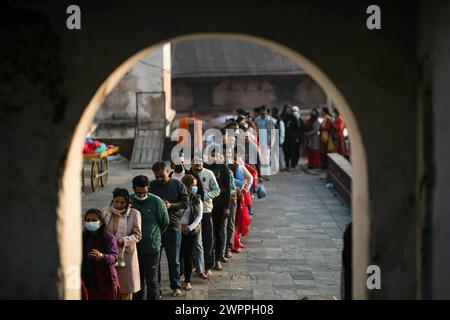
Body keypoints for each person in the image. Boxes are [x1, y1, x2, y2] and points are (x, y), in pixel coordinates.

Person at [150, 161, 189, 297]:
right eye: (157, 177)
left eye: (162, 176)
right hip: (156, 229)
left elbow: (185, 203)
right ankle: (157, 287)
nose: (159, 179)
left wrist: (171, 205)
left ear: (168, 172)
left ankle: (176, 285)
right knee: (156, 260)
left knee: (174, 259)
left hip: (173, 227)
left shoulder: (177, 184)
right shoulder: (151, 186)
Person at [131, 175, 169, 300]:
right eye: (138, 193)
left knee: (152, 280)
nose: (141, 195)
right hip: (133, 248)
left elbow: (165, 222)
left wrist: (153, 234)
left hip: (151, 247)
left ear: (149, 189)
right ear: (133, 189)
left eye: (144, 192)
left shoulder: (157, 202)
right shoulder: (129, 201)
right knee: (137, 280)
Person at [102, 188, 142, 300]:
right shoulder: (105, 212)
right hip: (109, 254)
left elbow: (138, 235)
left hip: (126, 256)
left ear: (127, 202)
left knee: (126, 291)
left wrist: (123, 240)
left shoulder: (134, 214)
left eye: (122, 202)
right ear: (113, 200)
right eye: (116, 201)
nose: (119, 205)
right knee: (110, 288)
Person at [189, 155, 220, 279]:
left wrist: (204, 197)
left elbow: (216, 190)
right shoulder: (188, 175)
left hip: (206, 210)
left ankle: (207, 266)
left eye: (200, 161)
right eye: (195, 161)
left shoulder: (209, 173)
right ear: (191, 163)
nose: (198, 164)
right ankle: (193, 265)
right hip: (191, 212)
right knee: (192, 241)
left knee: (207, 240)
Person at [81, 208, 120, 300]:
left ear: (101, 222)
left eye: (94, 220)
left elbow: (114, 257)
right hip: (88, 280)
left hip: (105, 281)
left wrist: (102, 256)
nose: (90, 222)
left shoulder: (109, 238)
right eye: (88, 220)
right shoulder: (82, 237)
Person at [204, 148, 232, 272]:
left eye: (217, 155)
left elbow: (227, 190)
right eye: (212, 155)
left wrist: (227, 207)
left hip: (220, 204)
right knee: (208, 235)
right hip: (207, 205)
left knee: (219, 232)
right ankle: (206, 261)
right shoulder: (205, 167)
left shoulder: (224, 169)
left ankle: (217, 260)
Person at [179, 174, 203, 291]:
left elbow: (199, 216)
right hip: (178, 231)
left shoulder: (197, 198)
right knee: (178, 256)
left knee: (188, 256)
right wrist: (179, 226)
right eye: (193, 185)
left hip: (191, 232)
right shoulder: (178, 198)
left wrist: (189, 227)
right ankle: (179, 276)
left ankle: (187, 280)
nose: (195, 187)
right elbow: (174, 213)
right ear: (187, 186)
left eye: (196, 185)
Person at [281, 105, 300, 171]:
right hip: (285, 138)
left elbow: (297, 128)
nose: (288, 111)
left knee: (292, 151)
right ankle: (287, 165)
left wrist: (297, 136)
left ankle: (293, 165)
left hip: (292, 137)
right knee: (286, 152)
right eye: (287, 110)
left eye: (289, 110)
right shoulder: (282, 117)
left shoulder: (293, 117)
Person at [271, 107, 286, 172]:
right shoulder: (273, 120)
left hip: (278, 140)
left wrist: (281, 141)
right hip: (274, 140)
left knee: (279, 154)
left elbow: (282, 132)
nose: (272, 113)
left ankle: (282, 167)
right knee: (274, 155)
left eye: (273, 112)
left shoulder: (280, 121)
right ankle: (277, 167)